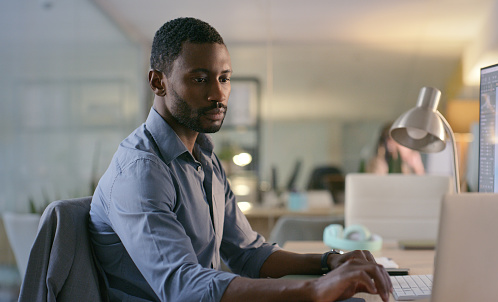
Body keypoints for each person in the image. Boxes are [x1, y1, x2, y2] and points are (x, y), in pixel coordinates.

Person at [89, 17, 391, 302]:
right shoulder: (141, 171)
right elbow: (182, 286)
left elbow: (249, 253)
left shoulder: (205, 159)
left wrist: (330, 262)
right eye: (199, 79)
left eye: (224, 78)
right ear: (158, 83)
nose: (218, 94)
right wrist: (312, 290)